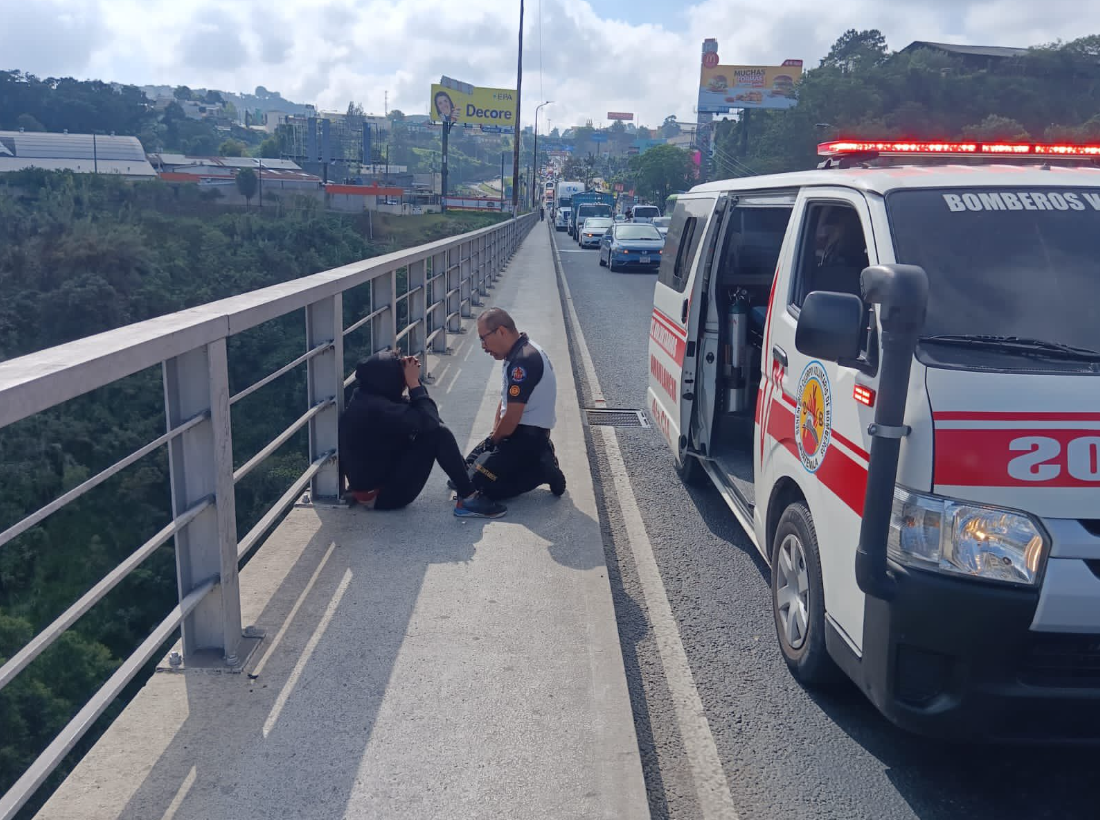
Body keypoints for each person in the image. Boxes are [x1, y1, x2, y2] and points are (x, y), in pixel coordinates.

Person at [339, 350, 506, 518]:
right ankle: (469, 498)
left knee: (430, 422)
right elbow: (429, 420)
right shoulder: (378, 409)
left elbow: (425, 414)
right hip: (382, 496)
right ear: (388, 379)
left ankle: (462, 478)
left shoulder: (368, 396)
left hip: (377, 481)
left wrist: (413, 382)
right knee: (438, 433)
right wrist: (413, 383)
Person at [461, 308, 567, 501]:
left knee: (477, 484)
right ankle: (530, 460)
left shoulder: (523, 362)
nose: (483, 346)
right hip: (512, 434)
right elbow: (506, 400)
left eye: (483, 339)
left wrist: (493, 443)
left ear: (501, 331)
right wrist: (494, 435)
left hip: (526, 439)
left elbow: (511, 418)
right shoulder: (517, 352)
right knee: (462, 473)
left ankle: (541, 470)